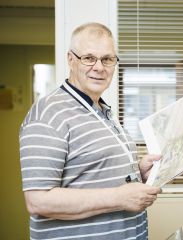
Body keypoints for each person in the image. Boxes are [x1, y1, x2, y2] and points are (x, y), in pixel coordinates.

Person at [19, 22, 162, 240]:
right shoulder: (48, 114)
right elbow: (38, 200)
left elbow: (93, 171)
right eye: (88, 58)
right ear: (70, 59)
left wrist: (137, 173)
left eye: (107, 59)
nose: (99, 67)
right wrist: (119, 197)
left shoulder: (101, 109)